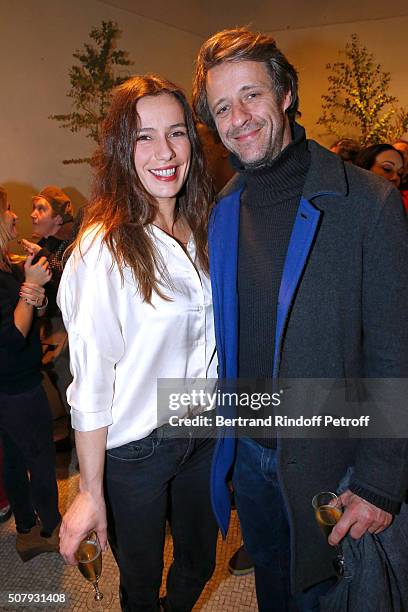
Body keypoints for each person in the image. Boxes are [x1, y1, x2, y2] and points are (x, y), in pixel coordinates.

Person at [192, 28, 408, 611]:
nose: (238, 117)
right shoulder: (226, 207)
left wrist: (380, 481)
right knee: (275, 590)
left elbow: (396, 351)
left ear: (285, 93)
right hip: (254, 457)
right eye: (222, 106)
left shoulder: (369, 203)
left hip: (335, 458)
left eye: (252, 95)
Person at [58, 75, 218, 612]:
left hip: (204, 429)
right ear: (120, 151)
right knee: (141, 583)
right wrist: (88, 490)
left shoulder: (202, 228)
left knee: (200, 560)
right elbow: (91, 382)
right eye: (143, 137)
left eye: (176, 133)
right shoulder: (102, 250)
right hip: (137, 448)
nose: (165, 152)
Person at [0, 186, 61, 561]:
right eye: (7, 209)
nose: (15, 215)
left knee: (12, 457)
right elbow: (9, 335)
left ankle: (26, 530)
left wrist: (34, 299)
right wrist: (32, 289)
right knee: (39, 459)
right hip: (17, 387)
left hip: (11, 384)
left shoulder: (5, 261)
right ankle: (51, 530)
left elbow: (25, 315)